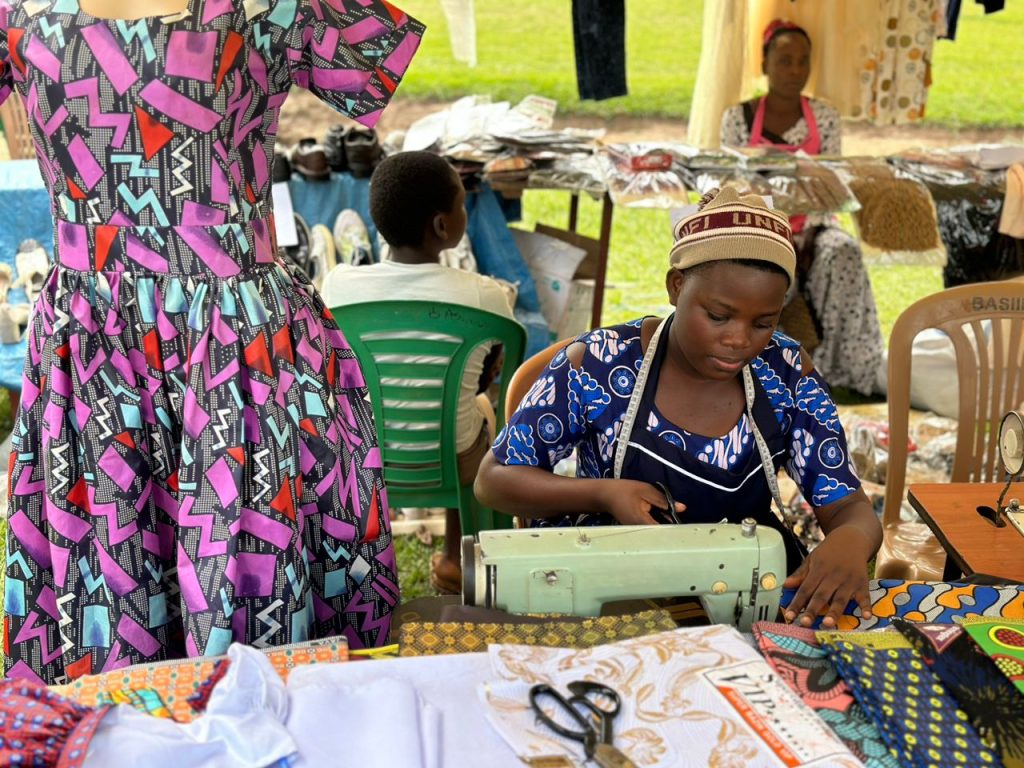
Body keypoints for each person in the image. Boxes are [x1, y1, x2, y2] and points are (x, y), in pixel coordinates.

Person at [1, 0, 423, 684]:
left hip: (234, 357)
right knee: (109, 618)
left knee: (254, 620)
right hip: (103, 350)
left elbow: (365, 65)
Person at [476, 188, 883, 629]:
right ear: (676, 286)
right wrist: (602, 492)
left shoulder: (786, 374)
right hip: (613, 588)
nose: (739, 339)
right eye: (718, 315)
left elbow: (849, 508)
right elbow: (494, 480)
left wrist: (852, 539)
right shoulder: (597, 364)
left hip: (739, 591)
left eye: (763, 323)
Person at [322, 151, 514, 594]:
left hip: (365, 457)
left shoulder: (338, 286)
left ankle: (363, 559)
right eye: (462, 204)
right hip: (454, 457)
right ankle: (453, 556)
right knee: (477, 406)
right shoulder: (485, 296)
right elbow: (488, 376)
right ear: (443, 226)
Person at [720, 19, 884, 397]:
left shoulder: (824, 117)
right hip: (759, 225)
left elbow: (829, 183)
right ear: (765, 64)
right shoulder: (737, 119)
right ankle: (763, 373)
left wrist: (806, 231)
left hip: (815, 225)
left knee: (841, 253)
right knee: (767, 270)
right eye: (785, 60)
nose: (795, 70)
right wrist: (777, 227)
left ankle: (840, 372)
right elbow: (732, 183)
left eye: (802, 61)